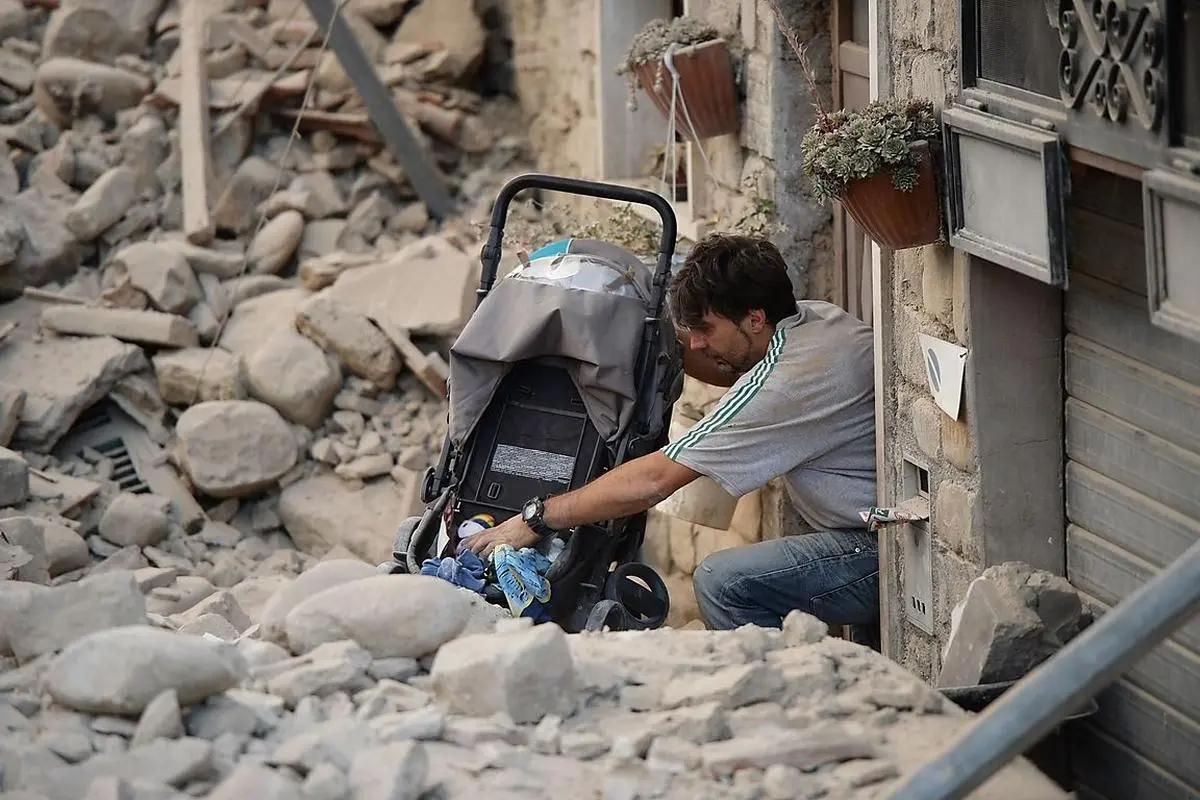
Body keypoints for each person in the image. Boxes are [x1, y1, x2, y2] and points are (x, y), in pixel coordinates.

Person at [463, 232, 880, 644]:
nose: (696, 343)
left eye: (706, 329)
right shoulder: (816, 321)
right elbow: (727, 367)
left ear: (754, 318)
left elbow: (655, 479)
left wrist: (536, 519)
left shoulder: (786, 385)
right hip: (870, 529)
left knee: (725, 583)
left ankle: (777, 693)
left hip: (878, 551)